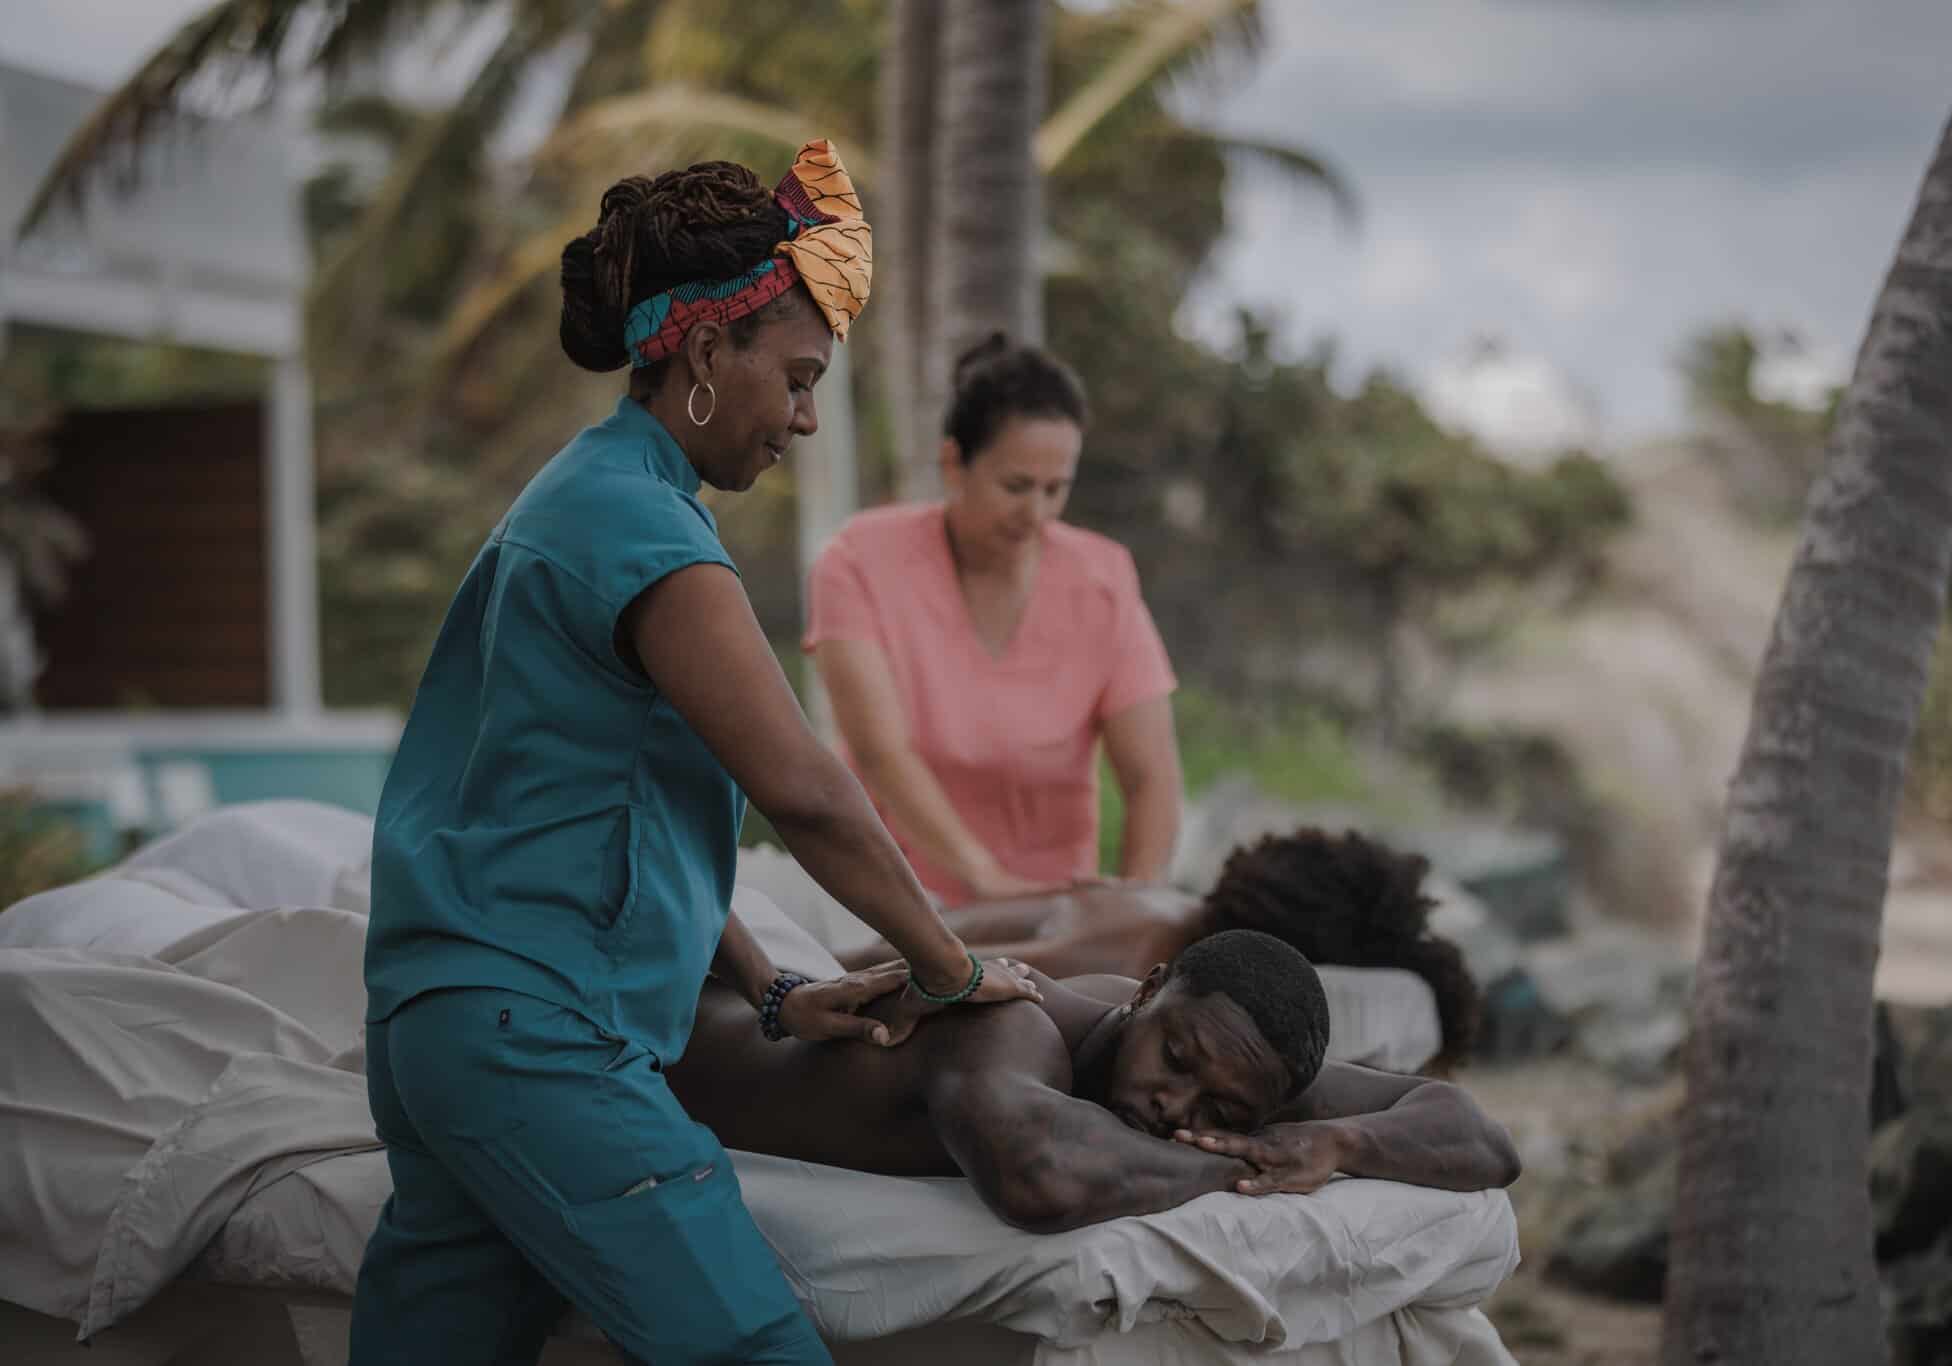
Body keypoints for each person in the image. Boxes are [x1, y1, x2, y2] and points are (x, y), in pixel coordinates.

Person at [351, 142, 1038, 1366]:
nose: (806, 417)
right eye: (797, 377)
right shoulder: (643, 529)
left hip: (446, 1029)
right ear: (709, 352)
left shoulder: (582, 496)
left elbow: (614, 810)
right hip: (535, 1041)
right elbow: (808, 794)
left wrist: (770, 983)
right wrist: (948, 966)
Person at [669, 928, 1519, 1232]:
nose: (1173, 1107)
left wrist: (1339, 1142)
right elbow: (1038, 1178)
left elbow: (1479, 1135)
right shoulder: (1007, 1024)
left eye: (1223, 1109)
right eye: (1176, 1062)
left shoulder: (1228, 1060)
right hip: (661, 1044)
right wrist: (1245, 1160)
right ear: (1148, 989)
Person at [803, 334, 1183, 906]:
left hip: (1050, 913)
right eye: (1016, 486)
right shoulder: (857, 563)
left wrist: (1131, 908)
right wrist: (988, 883)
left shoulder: (1104, 580)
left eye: (1057, 489)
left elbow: (1152, 779)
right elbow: (880, 754)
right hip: (893, 906)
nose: (1037, 514)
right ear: (954, 462)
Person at [844, 828, 1484, 1071]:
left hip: (876, 935)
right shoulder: (1137, 963)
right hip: (856, 961)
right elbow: (880, 961)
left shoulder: (1156, 900)